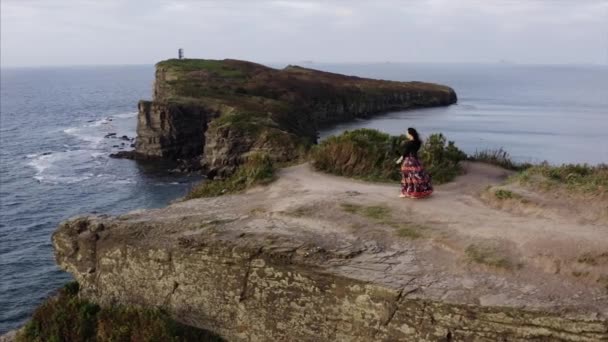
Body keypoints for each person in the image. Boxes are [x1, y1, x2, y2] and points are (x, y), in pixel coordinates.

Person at [395, 128, 433, 198]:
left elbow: (405, 153)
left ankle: (406, 192)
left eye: (407, 133)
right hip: (415, 160)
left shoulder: (409, 143)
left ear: (410, 134)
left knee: (406, 176)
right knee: (417, 176)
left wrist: (399, 160)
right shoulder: (418, 142)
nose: (406, 134)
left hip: (408, 161)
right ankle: (416, 192)